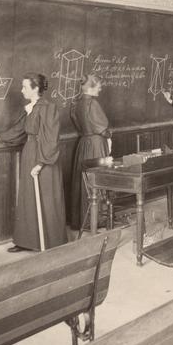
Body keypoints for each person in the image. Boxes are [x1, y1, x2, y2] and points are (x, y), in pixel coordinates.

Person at [0, 73, 67, 252]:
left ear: (36, 89)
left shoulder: (48, 108)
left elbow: (52, 139)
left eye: (25, 87)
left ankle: (50, 243)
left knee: (46, 198)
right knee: (28, 197)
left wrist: (41, 163)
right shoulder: (30, 108)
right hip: (30, 153)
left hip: (45, 158)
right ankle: (27, 241)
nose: (21, 90)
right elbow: (20, 130)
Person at [69, 74, 112, 229]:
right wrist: (109, 135)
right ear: (91, 88)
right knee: (97, 179)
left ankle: (82, 219)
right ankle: (97, 219)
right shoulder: (93, 104)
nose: (100, 89)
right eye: (99, 86)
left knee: (84, 181)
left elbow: (77, 124)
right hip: (96, 144)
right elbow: (103, 128)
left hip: (83, 143)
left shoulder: (76, 103)